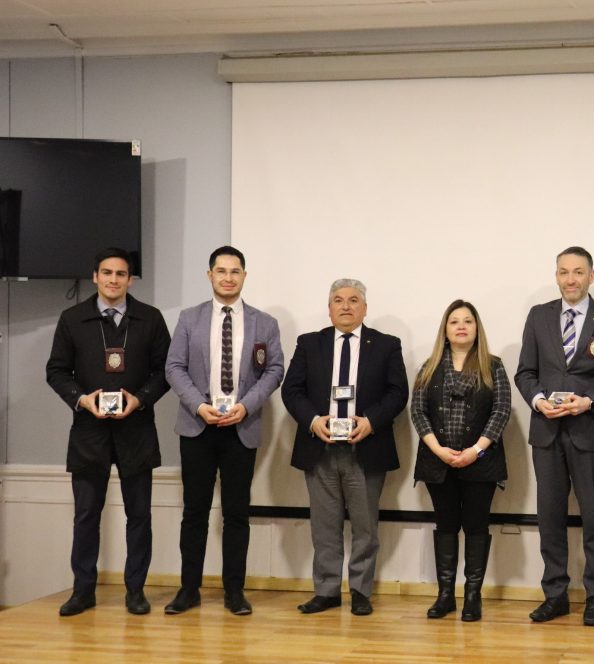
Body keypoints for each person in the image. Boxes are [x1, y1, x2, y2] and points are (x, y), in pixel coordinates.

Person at [45, 247, 171, 616]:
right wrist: (81, 399)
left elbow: (165, 371)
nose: (113, 280)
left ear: (130, 280)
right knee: (86, 515)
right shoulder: (72, 318)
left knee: (139, 516)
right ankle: (83, 591)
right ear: (95, 276)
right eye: (106, 273)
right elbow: (56, 371)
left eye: (120, 274)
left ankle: (136, 591)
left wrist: (141, 399)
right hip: (89, 431)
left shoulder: (150, 318)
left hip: (136, 429)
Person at [163, 246, 284, 616]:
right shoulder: (189, 318)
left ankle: (235, 591)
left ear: (244, 276)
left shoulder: (265, 323)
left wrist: (246, 405)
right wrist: (198, 406)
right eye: (221, 271)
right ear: (210, 275)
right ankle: (189, 589)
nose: (228, 277)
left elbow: (275, 370)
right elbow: (174, 367)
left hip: (241, 426)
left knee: (236, 513)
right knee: (194, 513)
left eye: (235, 271)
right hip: (198, 426)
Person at [281, 279, 409, 616]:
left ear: (365, 308)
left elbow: (398, 392)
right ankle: (326, 591)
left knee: (365, 527)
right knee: (324, 527)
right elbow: (291, 390)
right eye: (338, 300)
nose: (346, 306)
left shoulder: (386, 345)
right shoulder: (309, 343)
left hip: (365, 448)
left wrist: (371, 421)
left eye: (354, 300)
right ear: (329, 309)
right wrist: (312, 420)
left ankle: (361, 590)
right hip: (320, 448)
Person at [514, 246, 594, 626]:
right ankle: (555, 595)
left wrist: (589, 401)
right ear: (556, 276)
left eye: (578, 272)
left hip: (589, 430)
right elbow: (525, 372)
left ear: (592, 276)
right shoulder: (539, 316)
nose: (570, 279)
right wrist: (538, 401)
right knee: (549, 518)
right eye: (564, 272)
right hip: (546, 432)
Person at [411, 300, 511, 622]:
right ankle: (445, 596)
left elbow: (501, 412)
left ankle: (472, 596)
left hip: (481, 462)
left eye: (468, 321)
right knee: (446, 524)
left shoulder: (493, 366)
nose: (461, 326)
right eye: (454, 321)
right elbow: (418, 412)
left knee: (477, 525)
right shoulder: (428, 367)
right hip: (438, 461)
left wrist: (475, 450)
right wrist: (439, 450)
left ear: (477, 328)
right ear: (445, 329)